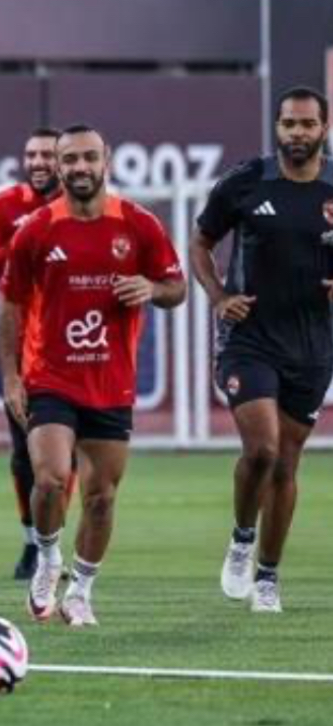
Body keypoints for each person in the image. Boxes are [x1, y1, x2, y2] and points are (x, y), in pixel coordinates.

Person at [0, 124, 185, 627]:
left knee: (101, 498)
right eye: (70, 160)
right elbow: (10, 306)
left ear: (107, 161)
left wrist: (151, 288)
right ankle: (47, 557)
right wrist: (11, 378)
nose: (80, 167)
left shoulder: (139, 224)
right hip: (51, 378)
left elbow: (177, 287)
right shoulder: (37, 229)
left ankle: (80, 591)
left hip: (110, 382)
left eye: (88, 158)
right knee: (50, 479)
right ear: (58, 167)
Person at [189, 85, 333, 613]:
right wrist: (218, 295)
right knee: (263, 450)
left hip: (312, 346)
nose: (297, 133)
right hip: (248, 339)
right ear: (277, 127)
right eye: (289, 123)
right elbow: (201, 242)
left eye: (307, 124)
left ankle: (268, 576)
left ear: (324, 127)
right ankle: (242, 539)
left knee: (287, 465)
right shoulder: (247, 182)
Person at [0, 127, 76, 581]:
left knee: (70, 455)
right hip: (20, 348)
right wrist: (22, 239)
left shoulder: (81, 207)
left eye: (48, 155)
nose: (38, 163)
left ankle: (56, 544)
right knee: (24, 453)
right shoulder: (5, 205)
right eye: (31, 154)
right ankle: (34, 542)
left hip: (73, 345)